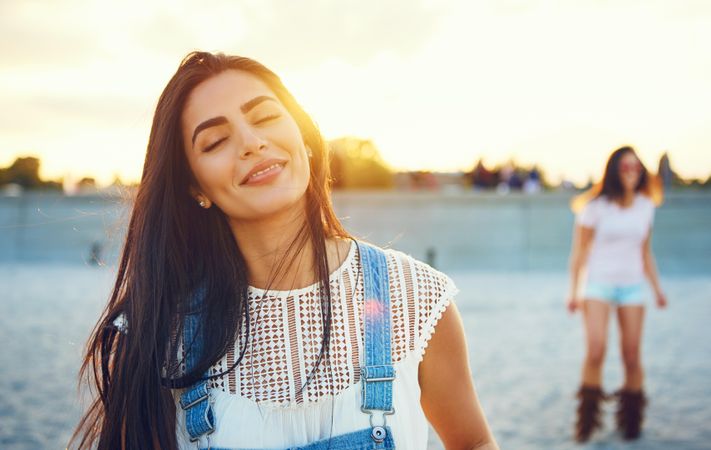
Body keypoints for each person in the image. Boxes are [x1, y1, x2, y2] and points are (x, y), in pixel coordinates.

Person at [71, 51, 498, 450]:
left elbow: (473, 442)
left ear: (306, 137)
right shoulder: (159, 330)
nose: (252, 143)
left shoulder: (414, 297)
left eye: (267, 117)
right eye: (216, 141)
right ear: (194, 186)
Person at [567, 146, 667, 443]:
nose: (632, 172)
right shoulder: (595, 206)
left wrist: (658, 290)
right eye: (625, 167)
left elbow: (646, 252)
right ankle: (587, 421)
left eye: (637, 168)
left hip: (632, 286)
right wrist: (573, 291)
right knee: (596, 349)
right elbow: (579, 253)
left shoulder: (646, 206)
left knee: (632, 354)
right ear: (614, 171)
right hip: (597, 284)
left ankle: (631, 419)